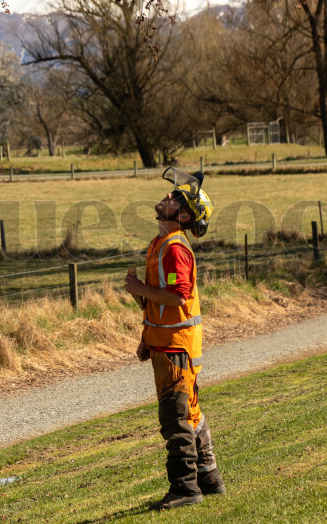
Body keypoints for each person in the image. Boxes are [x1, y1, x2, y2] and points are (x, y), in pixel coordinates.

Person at [124, 167, 225, 510]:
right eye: (172, 193)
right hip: (166, 344)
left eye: (176, 197)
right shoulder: (160, 244)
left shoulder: (174, 248)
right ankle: (209, 479)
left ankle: (185, 489)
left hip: (176, 348)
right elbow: (161, 299)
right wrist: (145, 336)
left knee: (175, 417)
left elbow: (179, 296)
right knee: (190, 413)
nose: (168, 195)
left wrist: (138, 289)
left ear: (183, 215)